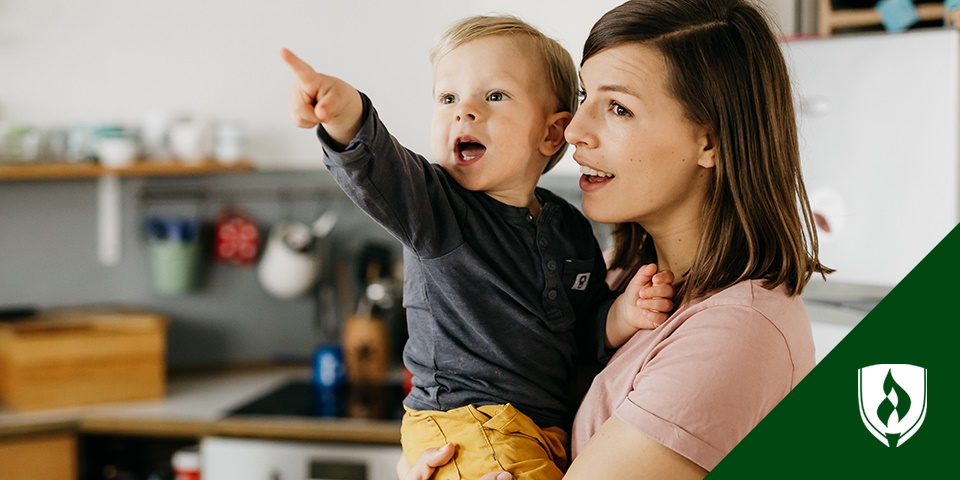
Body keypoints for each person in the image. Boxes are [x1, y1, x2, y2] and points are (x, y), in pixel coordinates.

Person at [401, 0, 832, 479]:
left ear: (709, 142)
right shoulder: (611, 275)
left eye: (619, 108)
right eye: (585, 96)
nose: (575, 129)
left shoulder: (740, 332)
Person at [281, 14, 676, 480]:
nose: (463, 112)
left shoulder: (569, 225)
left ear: (552, 133)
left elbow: (582, 326)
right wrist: (346, 115)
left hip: (535, 430)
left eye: (495, 96)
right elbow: (377, 166)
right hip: (467, 422)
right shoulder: (436, 208)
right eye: (447, 98)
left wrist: (623, 315)